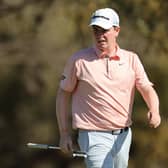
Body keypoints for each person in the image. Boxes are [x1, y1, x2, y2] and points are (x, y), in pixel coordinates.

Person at [56, 8, 161, 168]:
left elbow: (146, 88)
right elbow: (63, 94)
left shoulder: (131, 59)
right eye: (96, 30)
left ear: (116, 30)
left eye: (104, 30)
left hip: (123, 136)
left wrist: (154, 109)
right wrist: (64, 133)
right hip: (93, 135)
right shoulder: (79, 60)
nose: (99, 35)